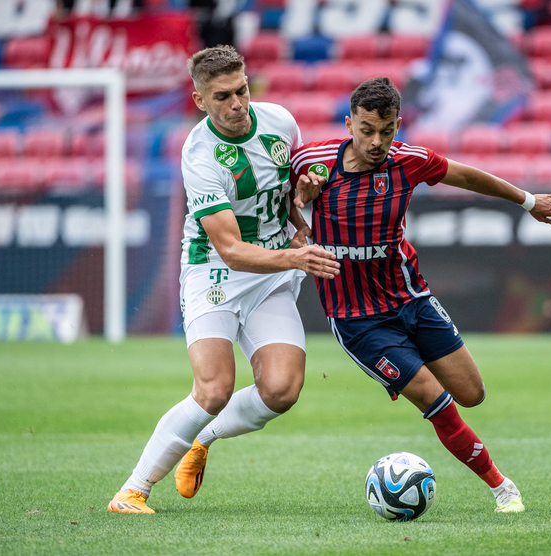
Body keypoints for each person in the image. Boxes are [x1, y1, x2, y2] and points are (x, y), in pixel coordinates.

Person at [290, 77, 551, 513]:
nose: (377, 141)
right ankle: (503, 489)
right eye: (366, 130)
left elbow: (468, 176)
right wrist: (299, 216)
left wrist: (528, 202)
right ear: (349, 124)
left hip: (412, 299)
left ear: (398, 125)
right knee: (435, 400)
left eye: (387, 130)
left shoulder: (409, 161)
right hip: (357, 319)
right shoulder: (312, 161)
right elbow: (278, 200)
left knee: (472, 393)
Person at [108, 45, 340, 514]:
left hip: (271, 272)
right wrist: (295, 258)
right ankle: (132, 490)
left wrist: (299, 216)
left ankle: (203, 439)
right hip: (214, 270)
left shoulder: (280, 122)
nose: (237, 104)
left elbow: (285, 191)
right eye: (222, 97)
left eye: (242, 90)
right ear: (199, 100)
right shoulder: (199, 156)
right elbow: (231, 249)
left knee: (282, 390)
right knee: (214, 389)